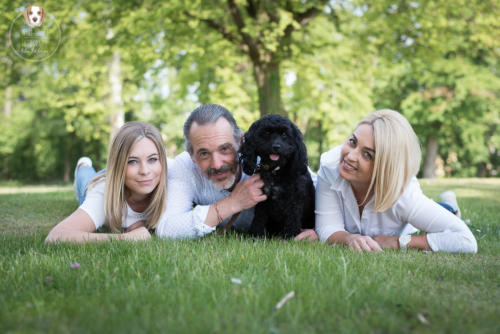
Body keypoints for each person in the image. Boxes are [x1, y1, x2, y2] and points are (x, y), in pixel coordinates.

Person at [314, 109, 477, 253]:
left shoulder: (405, 195)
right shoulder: (330, 167)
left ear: (385, 167)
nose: (350, 156)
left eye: (367, 154)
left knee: (445, 214)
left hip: (409, 218)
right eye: (352, 142)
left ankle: (451, 207)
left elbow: (466, 240)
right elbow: (327, 227)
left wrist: (398, 242)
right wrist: (350, 239)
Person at [155, 104, 316, 240]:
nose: (217, 164)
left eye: (225, 149)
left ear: (240, 141)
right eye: (204, 153)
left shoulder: (270, 156)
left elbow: (317, 187)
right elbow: (166, 229)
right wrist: (231, 204)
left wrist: (319, 230)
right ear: (191, 154)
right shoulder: (184, 167)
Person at [45, 121, 168, 243]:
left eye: (152, 159)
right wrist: (125, 238)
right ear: (118, 164)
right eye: (132, 161)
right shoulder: (101, 195)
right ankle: (83, 164)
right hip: (99, 183)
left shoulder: (172, 177)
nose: (145, 171)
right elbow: (55, 236)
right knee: (85, 177)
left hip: (124, 177)